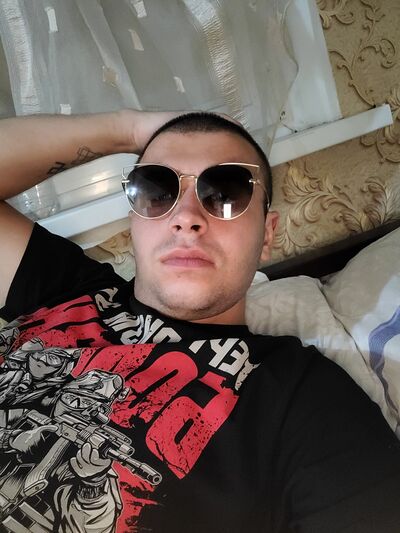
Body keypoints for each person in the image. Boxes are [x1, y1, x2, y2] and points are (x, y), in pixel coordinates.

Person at [0, 109, 400, 533]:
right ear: (134, 222)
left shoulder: (307, 403)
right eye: (156, 190)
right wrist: (129, 130)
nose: (186, 216)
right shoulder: (65, 287)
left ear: (266, 235)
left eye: (226, 192)